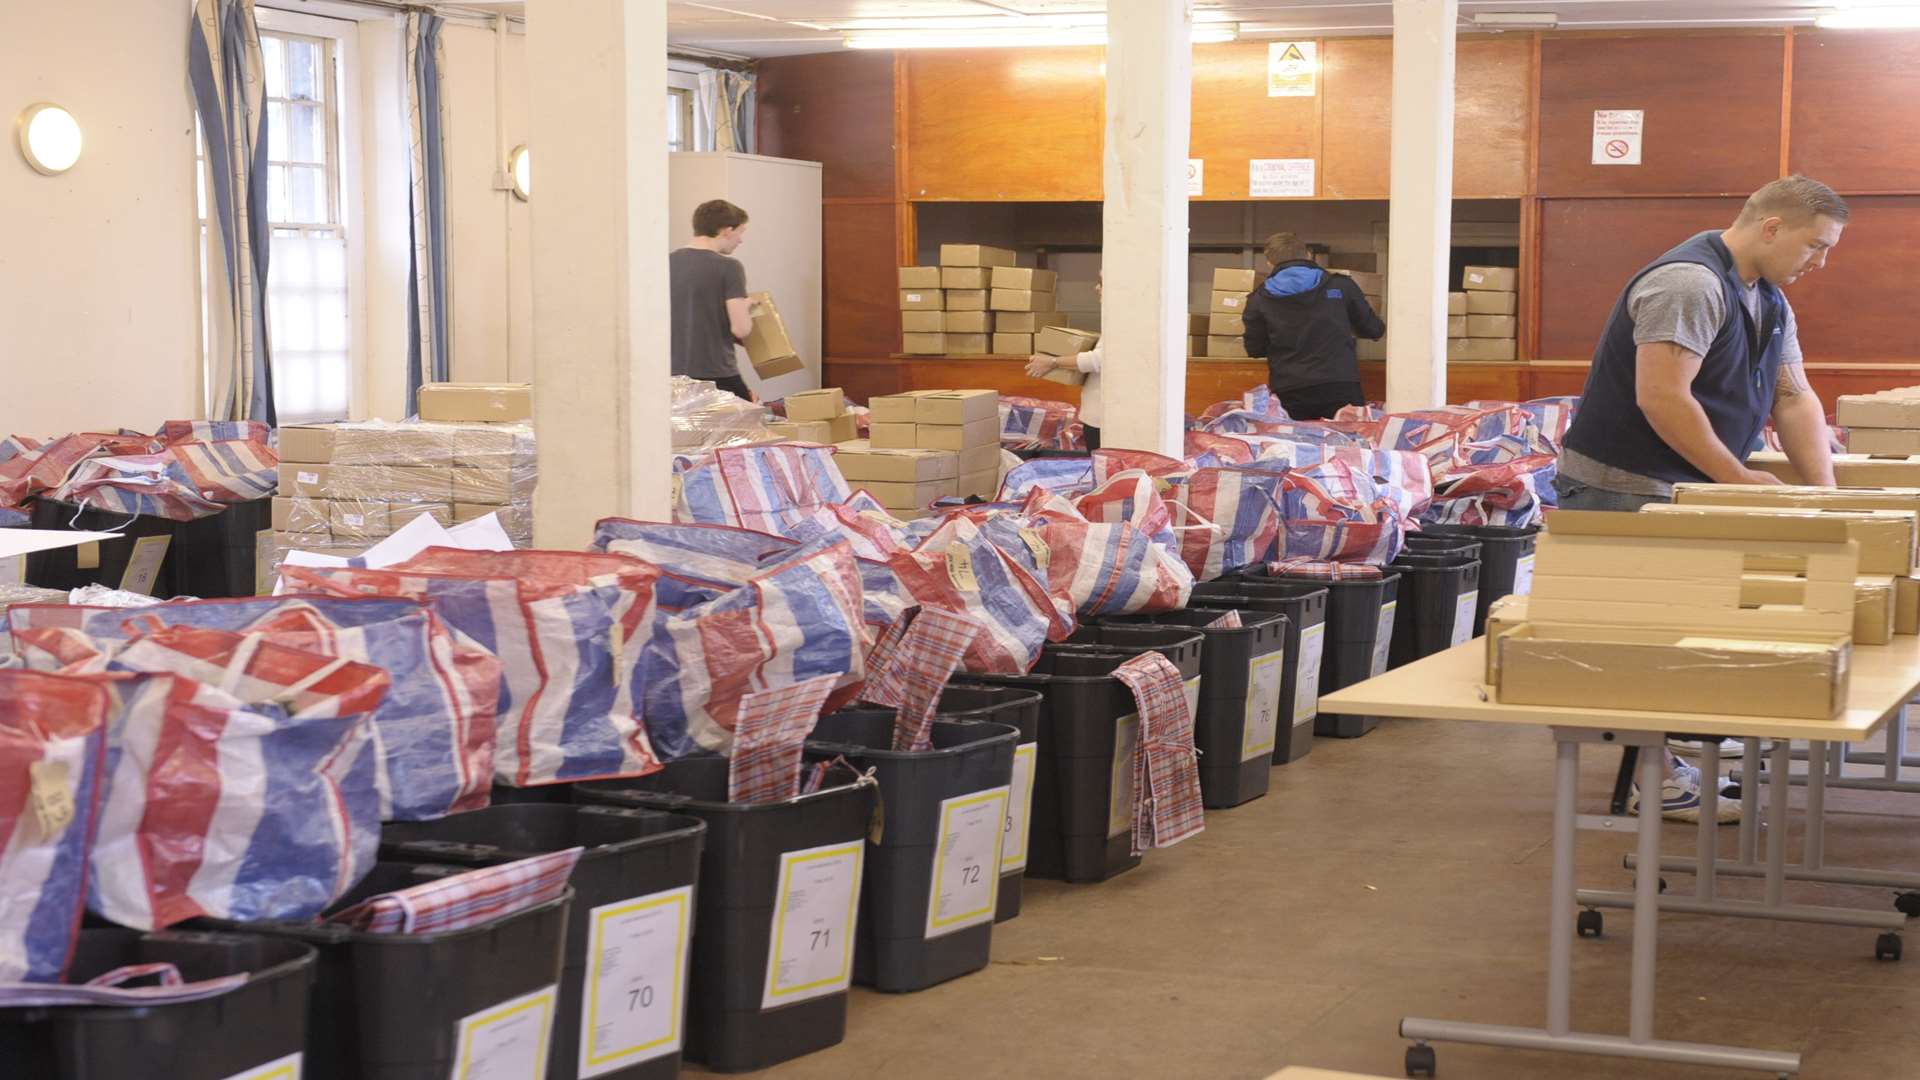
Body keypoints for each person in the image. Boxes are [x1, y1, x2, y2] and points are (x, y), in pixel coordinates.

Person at [1556, 174, 1848, 821]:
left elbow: (1793, 396)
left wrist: (1826, 499)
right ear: (1771, 227)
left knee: (1679, 635)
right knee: (1643, 641)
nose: (1820, 262)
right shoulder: (1689, 283)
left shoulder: (1768, 297)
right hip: (1621, 488)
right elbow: (1662, 396)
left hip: (1683, 485)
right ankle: (1654, 780)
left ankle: (1667, 761)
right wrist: (1738, 480)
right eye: (1814, 246)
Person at [1241, 233, 1385, 420]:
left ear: (1269, 263)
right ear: (1308, 255)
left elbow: (1254, 349)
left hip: (1290, 388)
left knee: (1292, 443)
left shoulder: (1258, 299)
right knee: (1350, 443)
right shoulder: (1341, 286)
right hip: (1340, 384)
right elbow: (1374, 329)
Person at [669, 199, 755, 401]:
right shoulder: (729, 267)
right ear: (726, 230)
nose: (740, 240)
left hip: (673, 374)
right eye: (740, 232)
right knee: (746, 430)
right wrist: (746, 308)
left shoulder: (666, 262)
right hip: (717, 373)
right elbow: (741, 329)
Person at [1026, 272, 1104, 449]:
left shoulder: (1123, 321)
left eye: (1102, 283)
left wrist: (1052, 362)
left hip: (1102, 420)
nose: (1097, 288)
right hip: (1097, 416)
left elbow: (1096, 360)